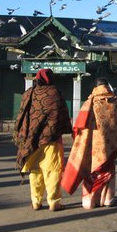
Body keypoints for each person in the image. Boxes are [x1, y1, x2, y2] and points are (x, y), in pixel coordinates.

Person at [13, 68, 72, 211]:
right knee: (52, 171)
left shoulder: (28, 94)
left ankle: (36, 201)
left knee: (35, 170)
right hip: (50, 139)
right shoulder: (55, 93)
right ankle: (54, 202)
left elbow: (22, 115)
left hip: (31, 139)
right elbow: (62, 114)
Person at [61, 77, 117, 209]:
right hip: (110, 144)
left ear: (95, 87)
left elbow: (80, 126)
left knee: (92, 170)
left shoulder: (91, 102)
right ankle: (108, 199)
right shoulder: (116, 102)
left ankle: (90, 201)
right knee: (108, 169)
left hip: (93, 145)